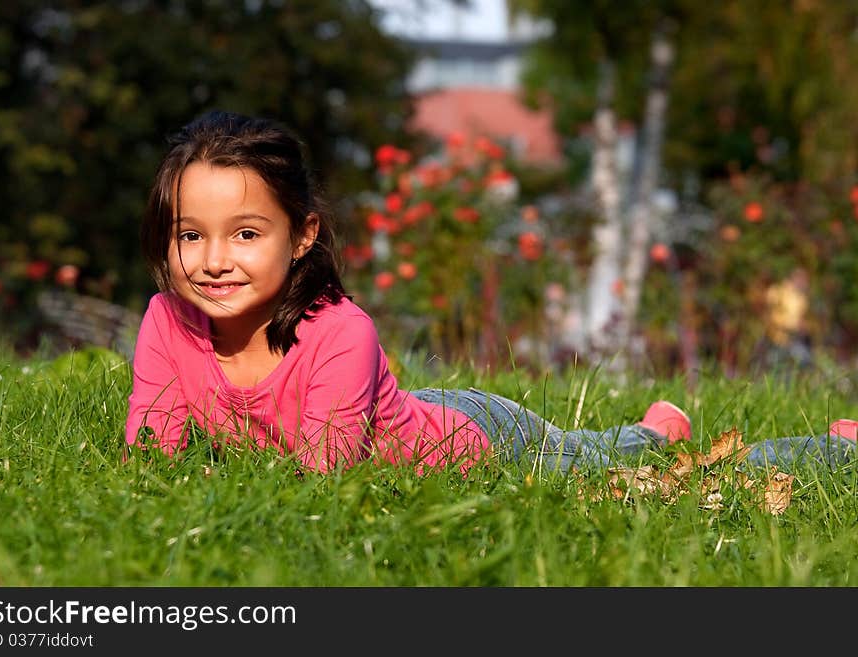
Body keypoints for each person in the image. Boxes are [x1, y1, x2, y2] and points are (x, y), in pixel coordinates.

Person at [125, 110, 858, 476]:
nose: (214, 261)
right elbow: (151, 454)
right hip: (425, 404)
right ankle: (656, 425)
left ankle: (818, 448)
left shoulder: (340, 331)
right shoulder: (168, 320)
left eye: (246, 234)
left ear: (304, 234)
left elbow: (323, 474)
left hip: (476, 439)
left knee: (601, 461)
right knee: (599, 450)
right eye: (191, 235)